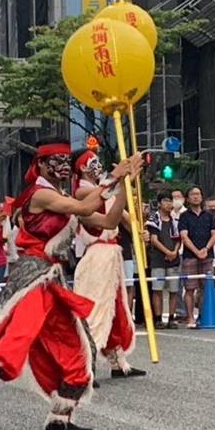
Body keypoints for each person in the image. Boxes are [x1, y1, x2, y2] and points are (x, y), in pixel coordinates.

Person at [0, 141, 142, 430]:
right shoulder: (40, 194)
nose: (64, 165)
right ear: (42, 165)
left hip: (54, 278)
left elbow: (109, 219)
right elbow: (86, 206)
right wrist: (115, 175)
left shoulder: (61, 196)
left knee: (80, 347)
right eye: (57, 160)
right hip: (32, 277)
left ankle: (60, 418)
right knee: (14, 341)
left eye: (66, 160)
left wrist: (125, 183)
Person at [71, 148, 146, 377]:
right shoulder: (81, 193)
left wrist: (139, 229)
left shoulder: (105, 188)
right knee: (95, 310)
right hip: (95, 256)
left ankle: (117, 361)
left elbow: (123, 218)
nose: (98, 164)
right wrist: (119, 177)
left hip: (112, 254)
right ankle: (84, 365)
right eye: (92, 161)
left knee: (116, 309)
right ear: (83, 167)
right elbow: (104, 194)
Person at [178, 185, 215, 330]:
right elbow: (184, 236)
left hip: (207, 255)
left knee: (205, 287)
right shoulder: (184, 216)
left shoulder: (209, 216)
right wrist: (196, 251)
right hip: (190, 256)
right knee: (190, 288)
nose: (196, 196)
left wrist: (206, 249)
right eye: (193, 194)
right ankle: (190, 317)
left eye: (198, 194)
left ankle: (203, 315)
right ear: (188, 198)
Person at [147, 190, 181, 328]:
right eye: (166, 201)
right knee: (157, 289)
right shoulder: (153, 220)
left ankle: (172, 317)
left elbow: (179, 239)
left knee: (174, 290)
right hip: (158, 259)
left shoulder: (175, 220)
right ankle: (158, 317)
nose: (169, 204)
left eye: (170, 201)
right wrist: (167, 251)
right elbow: (153, 239)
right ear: (160, 203)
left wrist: (174, 251)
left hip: (174, 259)